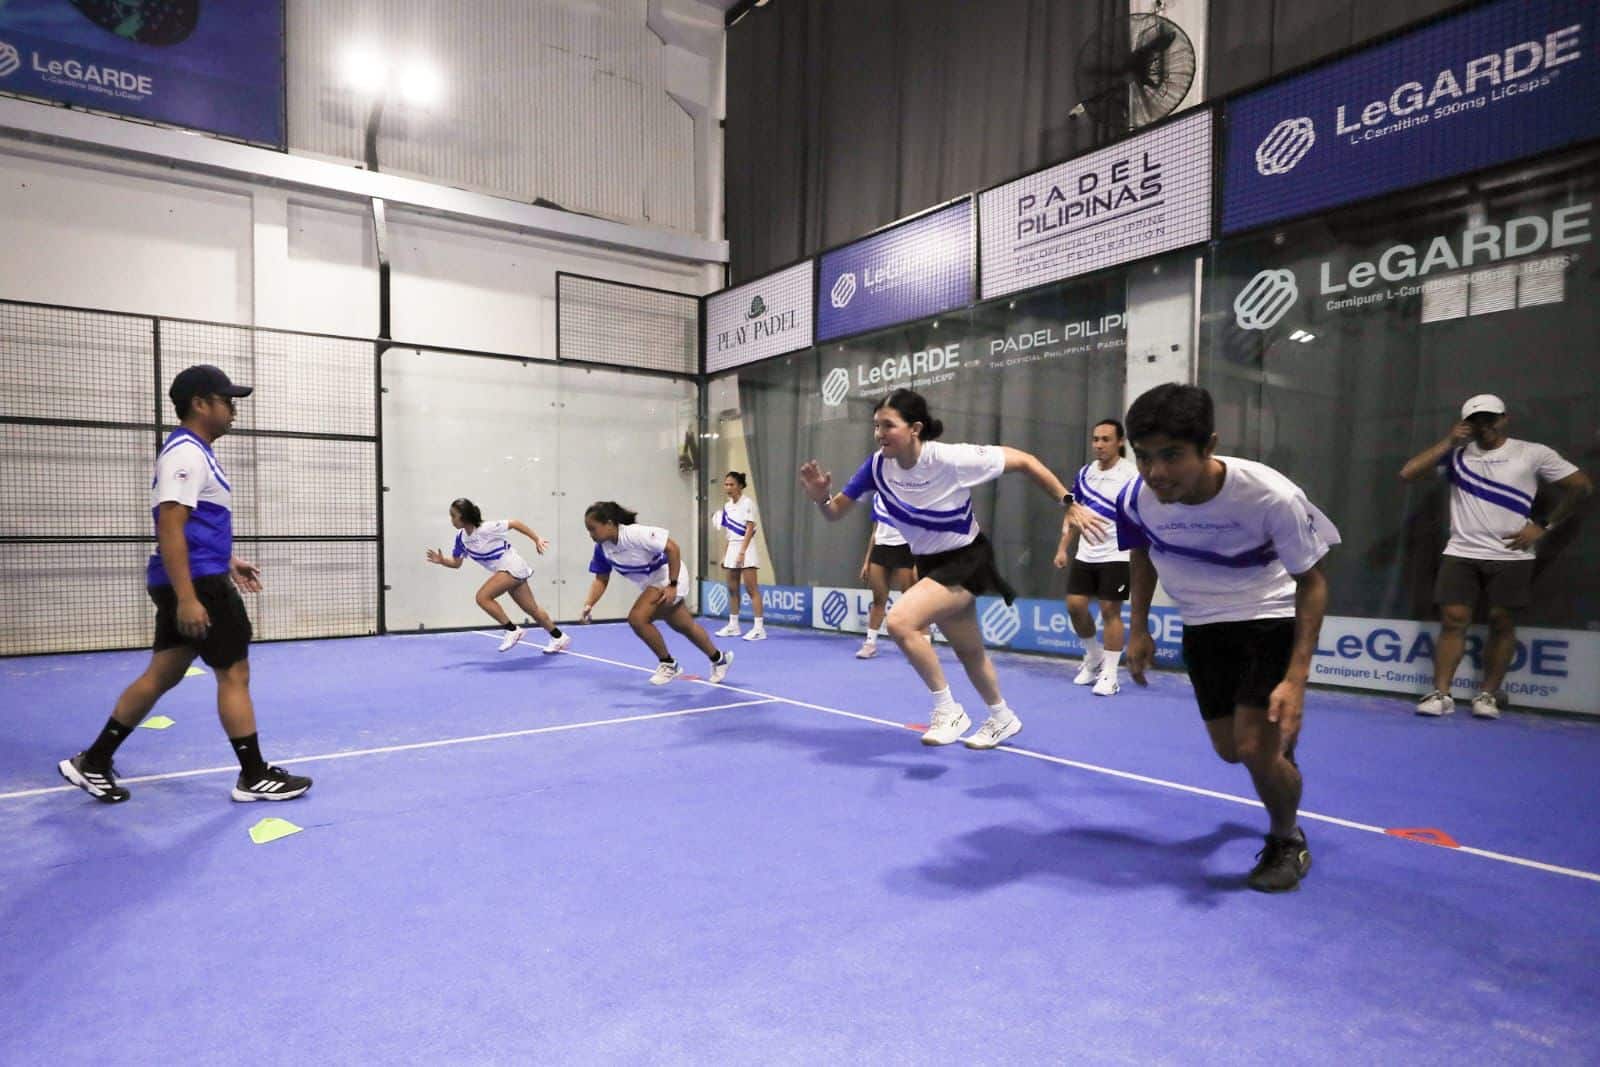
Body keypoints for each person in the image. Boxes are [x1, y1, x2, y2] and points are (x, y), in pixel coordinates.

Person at [1118, 383, 1339, 893]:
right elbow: (1141, 555)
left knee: (1253, 747)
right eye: (1145, 457)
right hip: (1202, 625)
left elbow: (1313, 581)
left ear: (1209, 445)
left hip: (1268, 616)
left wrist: (1296, 680)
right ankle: (1276, 755)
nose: (1156, 473)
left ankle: (1288, 839)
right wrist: (1139, 627)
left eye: (1171, 456)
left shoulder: (1270, 496)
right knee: (1230, 751)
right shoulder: (1136, 498)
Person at [57, 365, 312, 804]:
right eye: (227, 401)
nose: (233, 410)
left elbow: (193, 526)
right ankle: (253, 776)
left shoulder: (195, 452)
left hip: (200, 575)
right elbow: (171, 527)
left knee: (163, 674)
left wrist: (228, 559)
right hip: (197, 584)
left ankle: (94, 761)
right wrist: (190, 598)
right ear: (200, 403)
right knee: (233, 672)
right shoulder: (186, 454)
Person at [799, 388, 1104, 749]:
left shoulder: (949, 458)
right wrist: (820, 496)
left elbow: (1024, 460)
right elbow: (835, 513)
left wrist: (1067, 502)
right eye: (876, 426)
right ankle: (1002, 717)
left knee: (900, 622)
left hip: (967, 559)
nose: (880, 433)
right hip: (931, 564)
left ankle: (948, 710)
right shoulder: (877, 466)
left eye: (888, 425)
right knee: (969, 652)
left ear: (915, 428)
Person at [1399, 394, 1592, 718]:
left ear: (1504, 418)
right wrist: (1449, 440)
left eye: (1490, 418)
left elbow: (1581, 487)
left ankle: (1487, 695)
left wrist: (1544, 525)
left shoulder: (1532, 453)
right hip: (1461, 553)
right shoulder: (1456, 456)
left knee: (1502, 622)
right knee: (1452, 621)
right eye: (1475, 420)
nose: (1484, 425)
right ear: (1465, 424)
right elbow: (1408, 474)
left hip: (1512, 556)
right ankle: (1440, 694)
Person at [580, 501, 734, 685]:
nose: (590, 534)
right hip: (652, 584)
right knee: (684, 626)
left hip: (668, 575)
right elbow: (601, 579)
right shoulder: (603, 549)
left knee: (637, 618)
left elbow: (672, 548)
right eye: (588, 530)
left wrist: (672, 585)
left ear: (610, 523)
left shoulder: (635, 534)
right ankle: (719, 659)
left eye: (593, 529)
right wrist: (589, 604)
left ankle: (669, 664)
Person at [1053, 419, 1139, 696]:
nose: (1099, 445)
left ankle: (1111, 675)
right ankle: (1094, 657)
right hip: (1086, 554)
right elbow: (1073, 512)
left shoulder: (1131, 475)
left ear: (1120, 442)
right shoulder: (1085, 474)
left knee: (1109, 611)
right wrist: (1063, 547)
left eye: (1106, 439)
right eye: (1096, 439)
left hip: (1118, 554)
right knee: (1075, 606)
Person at [425, 498, 569, 654]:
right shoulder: (461, 538)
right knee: (532, 609)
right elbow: (456, 563)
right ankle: (558, 637)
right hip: (507, 570)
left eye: (453, 515)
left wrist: (537, 539)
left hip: (512, 565)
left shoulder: (486, 528)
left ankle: (512, 630)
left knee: (482, 597)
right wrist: (441, 561)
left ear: (464, 516)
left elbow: (514, 523)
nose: (451, 519)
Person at [855, 495, 917, 659]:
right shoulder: (877, 497)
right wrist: (867, 561)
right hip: (881, 549)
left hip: (904, 548)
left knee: (911, 600)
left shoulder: (910, 493)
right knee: (878, 599)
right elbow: (875, 531)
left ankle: (919, 645)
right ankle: (870, 643)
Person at [713, 471, 767, 641]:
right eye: (726, 484)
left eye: (732, 484)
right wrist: (726, 555)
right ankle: (733, 625)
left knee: (752, 589)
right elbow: (729, 533)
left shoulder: (748, 503)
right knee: (732, 589)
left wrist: (742, 552)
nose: (728, 487)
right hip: (732, 548)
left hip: (746, 548)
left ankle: (759, 629)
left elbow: (750, 528)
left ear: (740, 486)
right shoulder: (727, 506)